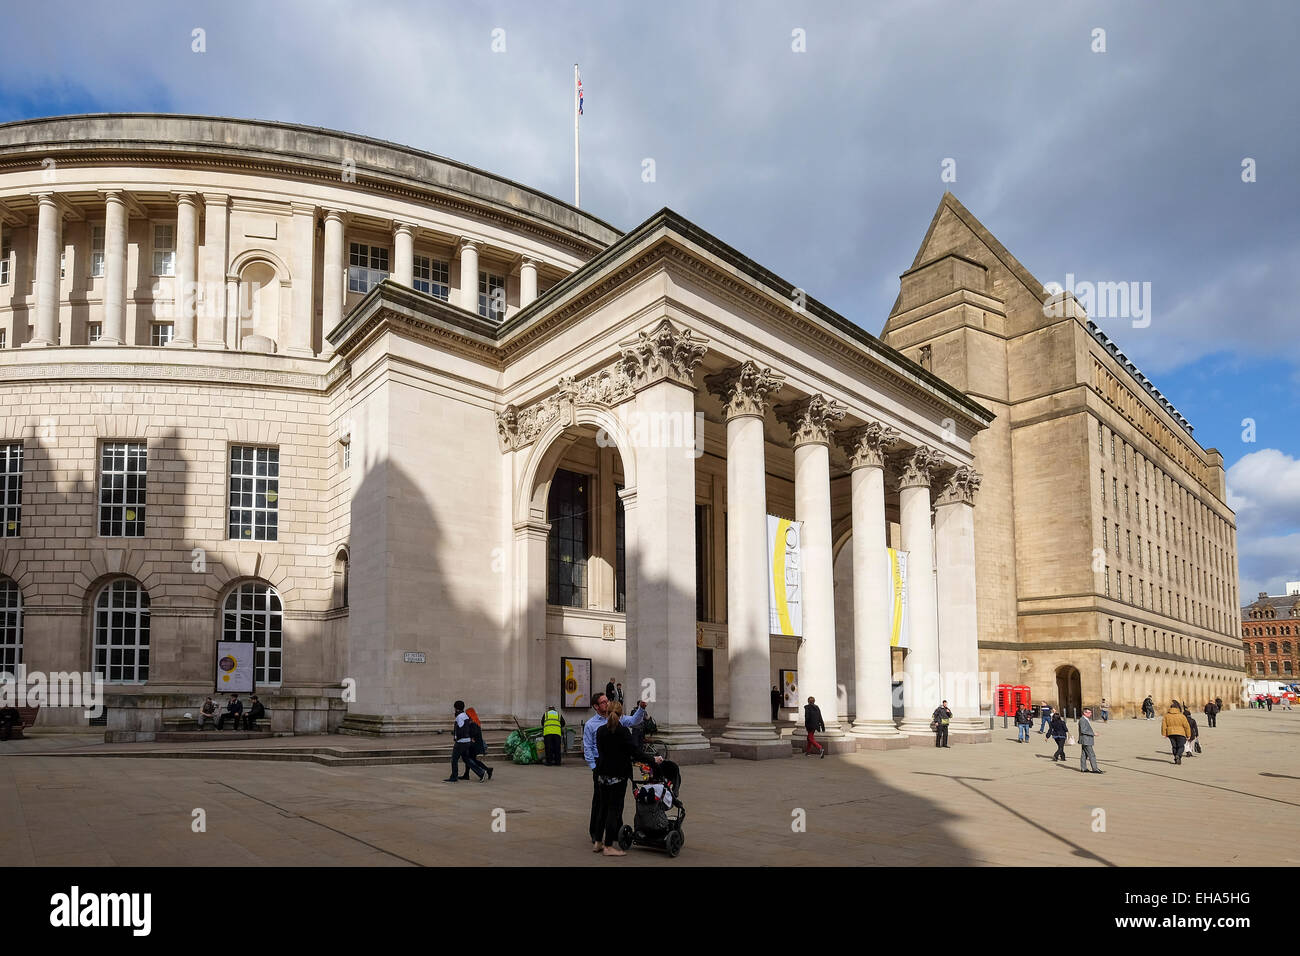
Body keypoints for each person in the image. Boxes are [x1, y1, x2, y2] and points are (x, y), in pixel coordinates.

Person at [594, 701, 663, 857]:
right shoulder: (623, 732)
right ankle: (609, 846)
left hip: (602, 774)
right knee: (614, 810)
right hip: (618, 775)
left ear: (607, 713)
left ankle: (598, 842)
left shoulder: (600, 731)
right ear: (621, 714)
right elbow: (636, 753)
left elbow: (601, 751)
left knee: (603, 808)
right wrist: (653, 760)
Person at [584, 692, 646, 851]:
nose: (607, 703)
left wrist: (641, 708)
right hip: (601, 764)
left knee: (616, 803)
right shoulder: (591, 724)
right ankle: (595, 832)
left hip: (617, 764)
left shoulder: (619, 719)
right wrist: (594, 767)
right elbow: (588, 747)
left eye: (607, 701)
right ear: (596, 706)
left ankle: (615, 831)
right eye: (603, 702)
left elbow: (633, 721)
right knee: (599, 801)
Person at [447, 700, 491, 782]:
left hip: (461, 742)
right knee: (466, 759)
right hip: (467, 741)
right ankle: (481, 773)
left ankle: (453, 777)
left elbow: (462, 729)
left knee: (454, 759)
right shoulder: (466, 716)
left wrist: (456, 736)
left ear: (456, 708)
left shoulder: (459, 717)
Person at [1161, 700, 1191, 765]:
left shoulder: (1166, 716)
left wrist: (1164, 734)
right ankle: (1178, 755)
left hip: (1170, 733)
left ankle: (1176, 758)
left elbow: (1164, 725)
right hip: (1181, 733)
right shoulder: (1182, 716)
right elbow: (1186, 726)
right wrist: (1188, 735)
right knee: (1181, 746)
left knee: (1174, 746)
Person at [1078, 708, 1102, 773]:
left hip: (1085, 739)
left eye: (1090, 712)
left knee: (1084, 754)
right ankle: (1095, 769)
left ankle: (1083, 768)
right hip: (1086, 740)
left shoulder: (1085, 719)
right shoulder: (1082, 720)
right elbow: (1083, 730)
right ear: (1084, 713)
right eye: (1089, 713)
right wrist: (1093, 734)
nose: (1090, 714)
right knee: (1092, 754)